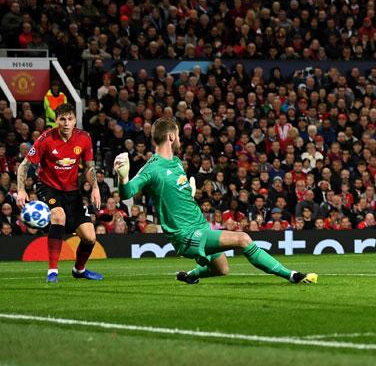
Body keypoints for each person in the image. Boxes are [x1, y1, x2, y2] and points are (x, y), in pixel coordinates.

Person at [115, 118, 317, 285]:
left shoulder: (176, 162)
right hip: (187, 234)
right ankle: (291, 275)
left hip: (199, 225)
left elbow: (173, 193)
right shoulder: (152, 168)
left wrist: (187, 191)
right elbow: (127, 193)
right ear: (171, 136)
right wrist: (123, 178)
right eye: (177, 135)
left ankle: (190, 276)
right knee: (243, 239)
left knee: (222, 269)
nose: (179, 140)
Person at [16, 103, 102, 282]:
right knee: (58, 216)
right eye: (62, 119)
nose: (66, 123)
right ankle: (52, 272)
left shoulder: (84, 138)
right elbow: (24, 165)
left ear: (75, 120)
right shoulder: (45, 139)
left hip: (72, 191)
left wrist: (95, 187)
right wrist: (21, 189)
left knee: (89, 237)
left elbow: (89, 167)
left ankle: (79, 270)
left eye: (70, 119)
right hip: (48, 187)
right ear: (56, 120)